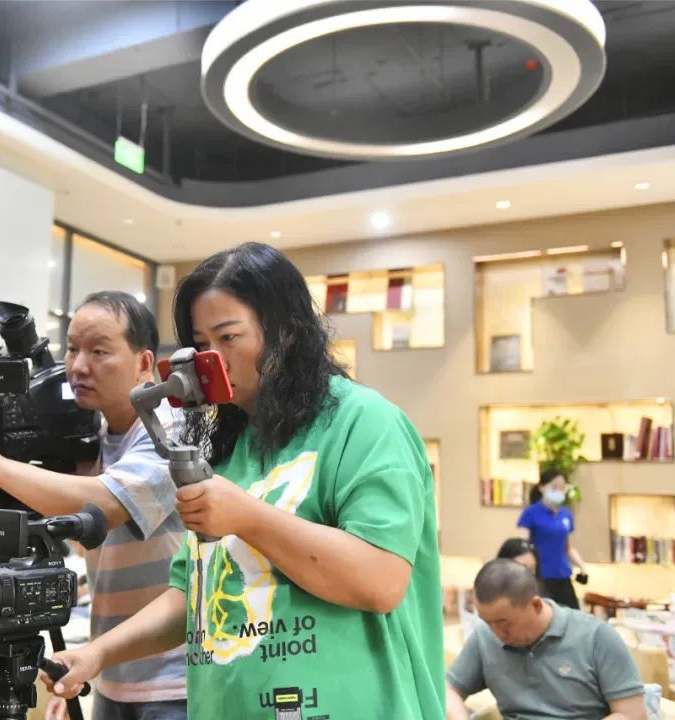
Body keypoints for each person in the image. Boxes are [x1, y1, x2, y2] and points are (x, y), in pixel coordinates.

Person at [46, 242, 444, 718]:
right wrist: (98, 653)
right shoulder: (226, 443)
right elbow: (189, 596)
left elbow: (380, 580)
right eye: (201, 344)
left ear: (287, 332)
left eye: (229, 337)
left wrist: (249, 517)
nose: (211, 360)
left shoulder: (365, 422)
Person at [0, 291, 187, 720]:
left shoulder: (168, 429)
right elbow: (21, 512)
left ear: (144, 362)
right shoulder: (90, 436)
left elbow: (107, 506)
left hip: (174, 680)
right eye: (72, 349)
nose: (78, 366)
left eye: (99, 351)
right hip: (112, 675)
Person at [445, 559, 645, 720]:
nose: (498, 633)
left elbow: (632, 714)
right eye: (488, 622)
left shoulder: (596, 636)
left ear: (536, 605)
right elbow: (447, 689)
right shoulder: (485, 637)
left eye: (504, 623)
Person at [519, 468, 588, 609]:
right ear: (541, 487)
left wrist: (582, 566)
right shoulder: (531, 513)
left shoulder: (566, 514)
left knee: (572, 614)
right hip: (541, 576)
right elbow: (523, 545)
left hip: (563, 574)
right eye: (554, 487)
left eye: (562, 488)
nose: (558, 491)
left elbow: (567, 547)